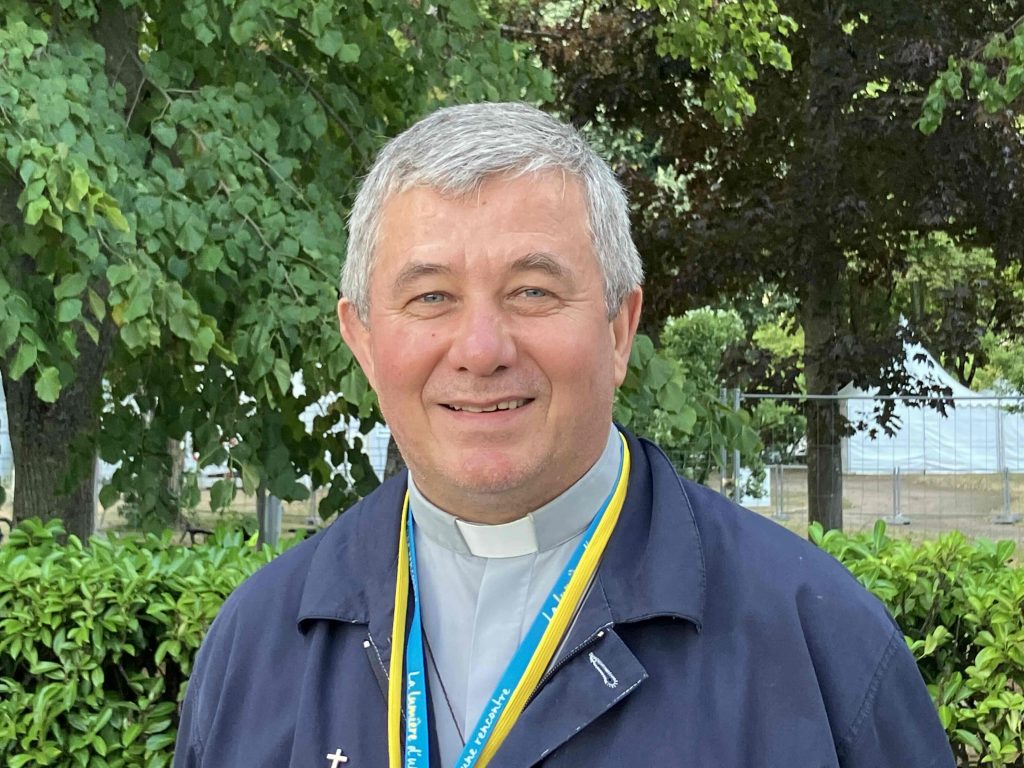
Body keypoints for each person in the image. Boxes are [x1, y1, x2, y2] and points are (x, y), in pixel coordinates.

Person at [173, 102, 954, 768]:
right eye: (432, 297)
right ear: (364, 341)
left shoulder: (819, 646)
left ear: (619, 328)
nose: (482, 349)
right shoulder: (256, 649)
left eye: (532, 291)